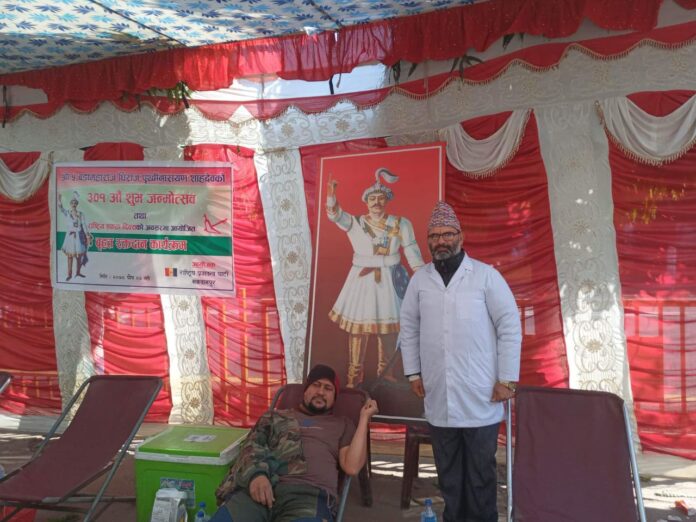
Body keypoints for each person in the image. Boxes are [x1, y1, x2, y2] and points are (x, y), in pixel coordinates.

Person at [399, 201, 522, 522]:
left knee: (480, 475)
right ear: (428, 241)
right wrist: (413, 373)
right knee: (449, 476)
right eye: (434, 236)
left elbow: (509, 325)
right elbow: (408, 327)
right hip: (439, 395)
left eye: (447, 234)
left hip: (482, 395)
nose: (441, 241)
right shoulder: (420, 280)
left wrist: (507, 379)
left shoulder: (485, 276)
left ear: (460, 237)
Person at [212, 364, 379, 522]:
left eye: (328, 388)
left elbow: (352, 466)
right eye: (316, 385)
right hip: (260, 488)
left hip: (308, 498)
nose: (321, 392)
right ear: (305, 391)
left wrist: (364, 418)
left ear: (334, 398)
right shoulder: (275, 416)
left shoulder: (342, 424)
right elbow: (251, 446)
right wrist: (257, 476)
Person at [326, 168, 424, 387]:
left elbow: (411, 248)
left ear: (387, 200)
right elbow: (335, 216)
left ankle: (385, 376)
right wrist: (331, 195)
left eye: (381, 198)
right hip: (361, 282)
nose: (376, 202)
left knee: (388, 330)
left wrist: (421, 274)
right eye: (372, 198)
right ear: (366, 201)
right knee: (358, 330)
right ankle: (354, 378)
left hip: (390, 279)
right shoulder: (355, 222)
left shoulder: (401, 223)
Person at [57, 191, 92, 280]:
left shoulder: (80, 214)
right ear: (70, 204)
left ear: (77, 204)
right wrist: (59, 200)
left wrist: (87, 235)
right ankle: (69, 274)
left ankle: (78, 272)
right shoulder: (68, 213)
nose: (73, 204)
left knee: (79, 256)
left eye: (75, 203)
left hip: (78, 237)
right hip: (70, 237)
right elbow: (61, 208)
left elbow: (84, 225)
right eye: (72, 203)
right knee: (70, 256)